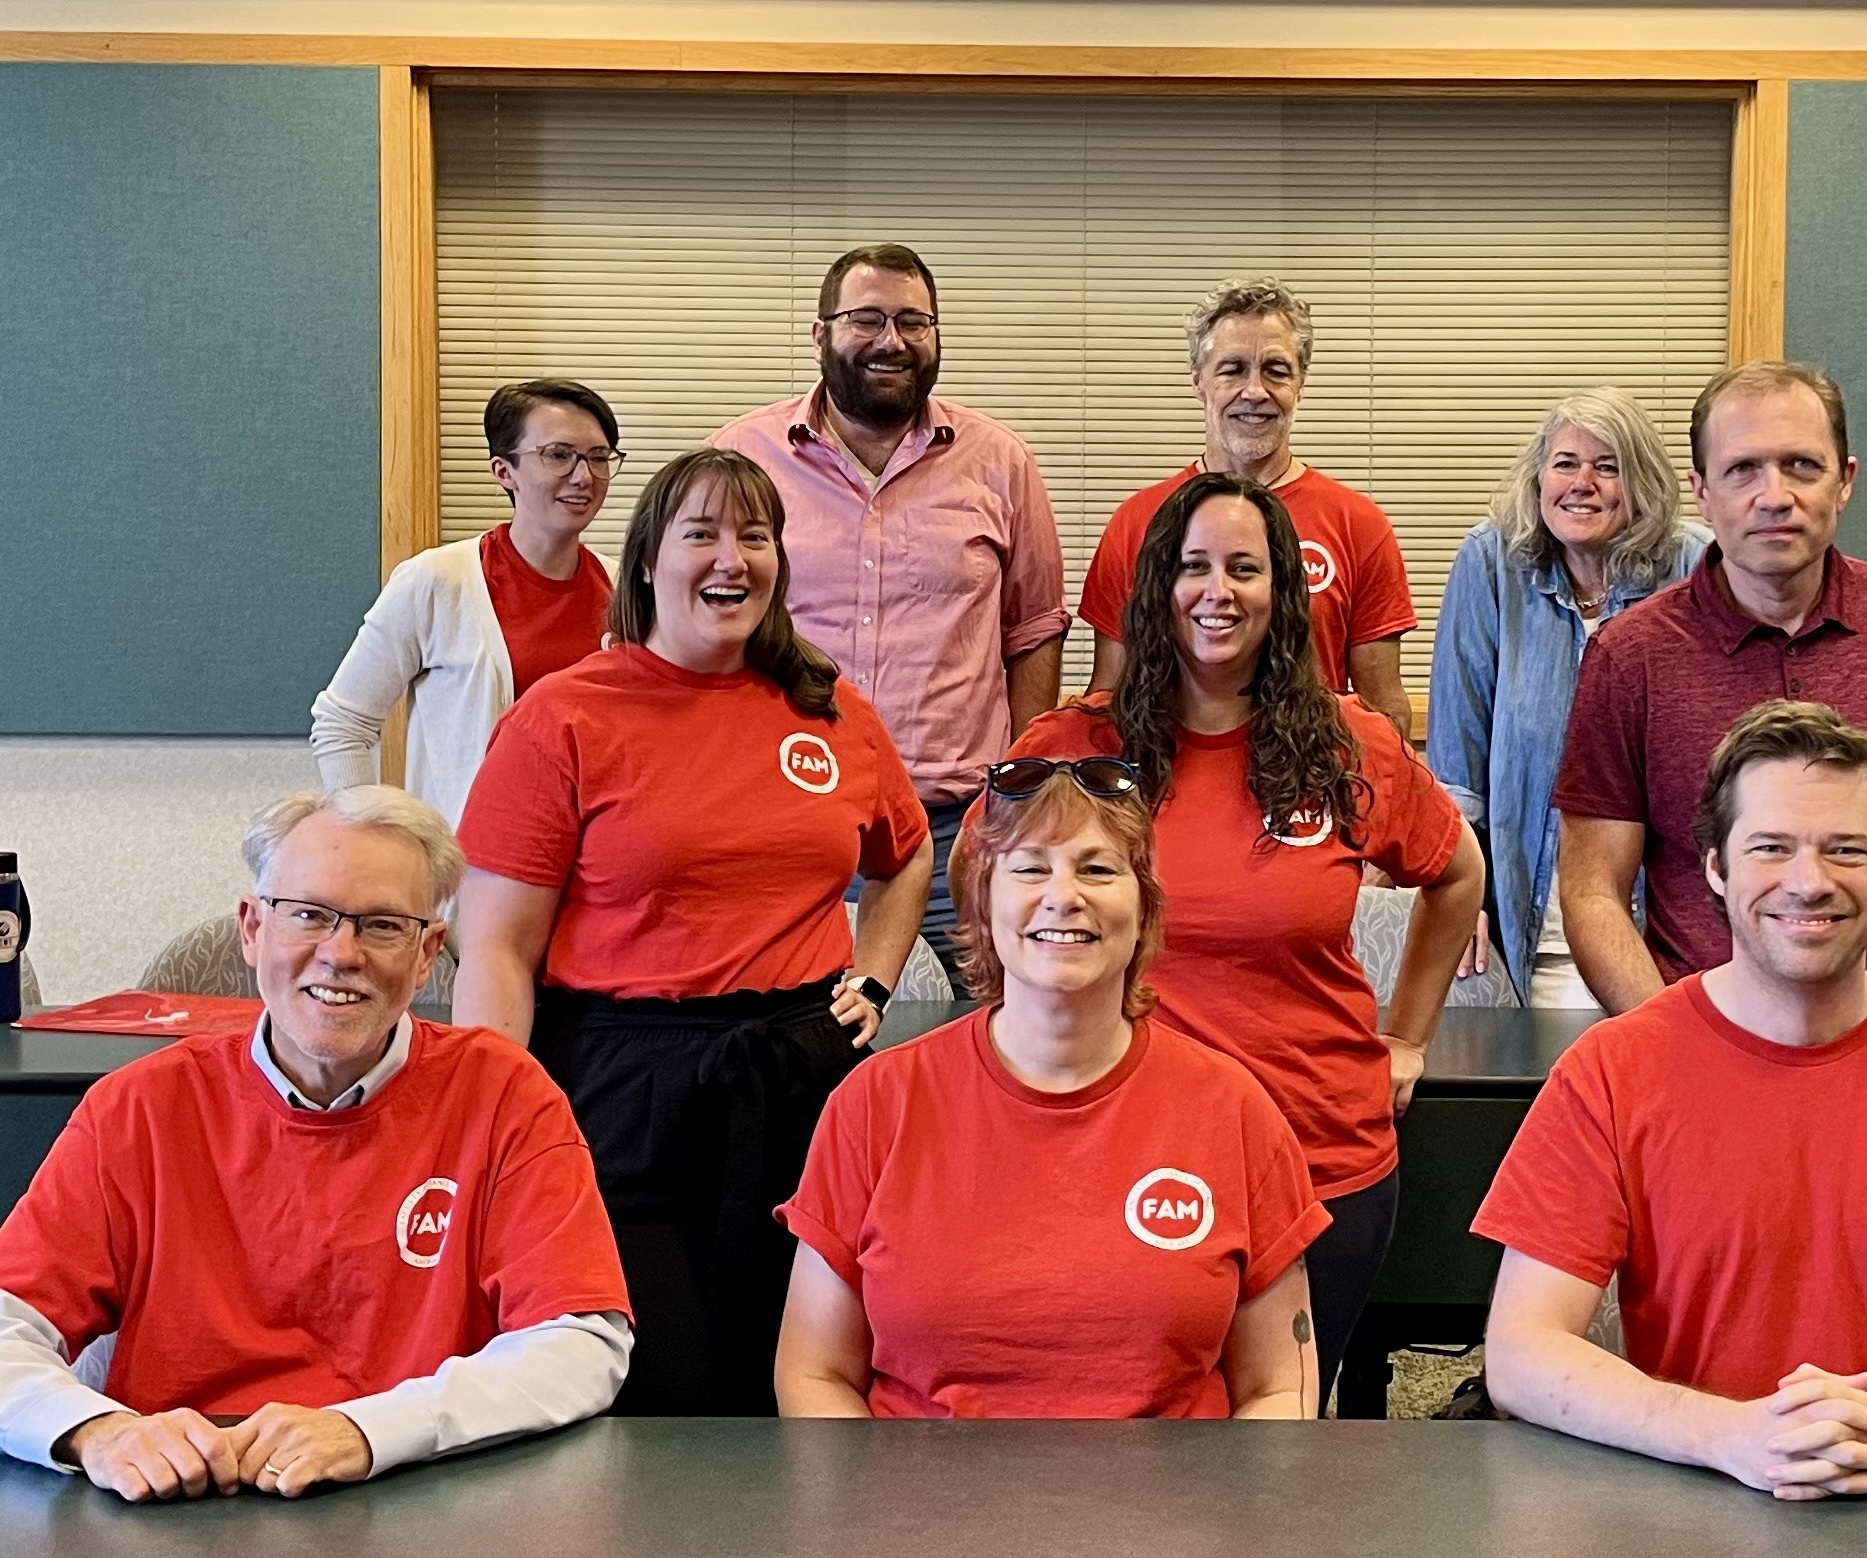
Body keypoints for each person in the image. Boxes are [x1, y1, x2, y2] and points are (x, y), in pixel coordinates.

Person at [1476, 701, 1867, 1499]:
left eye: (1846, 848)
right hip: (1681, 1507)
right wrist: (1729, 1434)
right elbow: (1520, 1352)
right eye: (1771, 847)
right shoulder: (1611, 1072)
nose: (1809, 881)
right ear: (1716, 865)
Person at [452, 448, 933, 1416]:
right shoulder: (565, 718)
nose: (733, 559)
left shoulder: (830, 712)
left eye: (755, 536)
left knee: (808, 1381)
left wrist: (873, 981)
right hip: (626, 1086)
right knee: (662, 1384)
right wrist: (495, 1122)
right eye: (702, 533)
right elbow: (496, 945)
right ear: (645, 562)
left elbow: (908, 854)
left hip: (804, 1079)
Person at [0, 787, 630, 1503]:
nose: (340, 953)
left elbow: (583, 1343)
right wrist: (97, 1429)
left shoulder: (505, 1095)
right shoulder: (138, 1108)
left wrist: (367, 1430)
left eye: (383, 925)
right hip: (188, 1510)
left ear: (427, 954)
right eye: (308, 914)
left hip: (424, 1499)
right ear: (251, 928)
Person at [1006, 471, 1482, 1409]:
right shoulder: (1073, 751)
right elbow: (1005, 917)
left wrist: (1410, 1034)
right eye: (1191, 566)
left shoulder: (1350, 746)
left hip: (1319, 1148)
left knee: (1280, 1434)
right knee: (1133, 1423)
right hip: (1121, 1155)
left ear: (1283, 592)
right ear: (1154, 590)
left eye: (1244, 568)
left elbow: (1457, 872)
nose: (1217, 592)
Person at [775, 761, 1329, 1418]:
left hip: (1173, 1515)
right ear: (983, 899)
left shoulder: (1235, 1109)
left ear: (1145, 904)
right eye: (1031, 867)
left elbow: (1279, 1388)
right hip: (923, 1512)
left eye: (1097, 869)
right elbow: (814, 1374)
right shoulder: (873, 1104)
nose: (1064, 895)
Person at [1554, 361, 1867, 1021]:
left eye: (1802, 466)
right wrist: (1668, 1047)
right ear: (1701, 491)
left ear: (1846, 482)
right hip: (1707, 1055)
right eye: (1743, 469)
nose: (1774, 495)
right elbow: (1591, 888)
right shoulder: (1629, 657)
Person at [709, 244, 1068, 992]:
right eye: (866, 319)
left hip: (958, 832)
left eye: (913, 321)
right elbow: (702, 627)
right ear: (819, 334)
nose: (891, 340)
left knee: (988, 1043)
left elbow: (1033, 628)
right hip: (786, 821)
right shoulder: (743, 459)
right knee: (790, 1047)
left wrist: (1016, 787)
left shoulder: (1000, 462)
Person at [1427, 387, 1709, 1008]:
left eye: (1607, 467)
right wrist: (1458, 888)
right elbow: (1457, 759)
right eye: (1565, 464)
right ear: (1538, 479)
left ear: (1640, 485)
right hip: (1526, 928)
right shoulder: (1491, 562)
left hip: (1667, 935)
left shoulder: (1697, 563)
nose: (1582, 483)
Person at [1080, 277, 1417, 736]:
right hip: (1168, 789)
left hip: (1305, 785)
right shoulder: (1137, 523)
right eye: (1233, 369)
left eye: (1276, 370)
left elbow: (1383, 709)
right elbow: (1108, 696)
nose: (1255, 391)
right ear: (1198, 381)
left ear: (1300, 384)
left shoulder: (1359, 525)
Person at [312, 380, 624, 828]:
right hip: (469, 875)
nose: (583, 476)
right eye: (559, 455)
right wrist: (371, 838)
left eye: (598, 458)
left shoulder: (624, 591)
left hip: (593, 872)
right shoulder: (437, 582)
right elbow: (341, 723)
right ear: (504, 471)